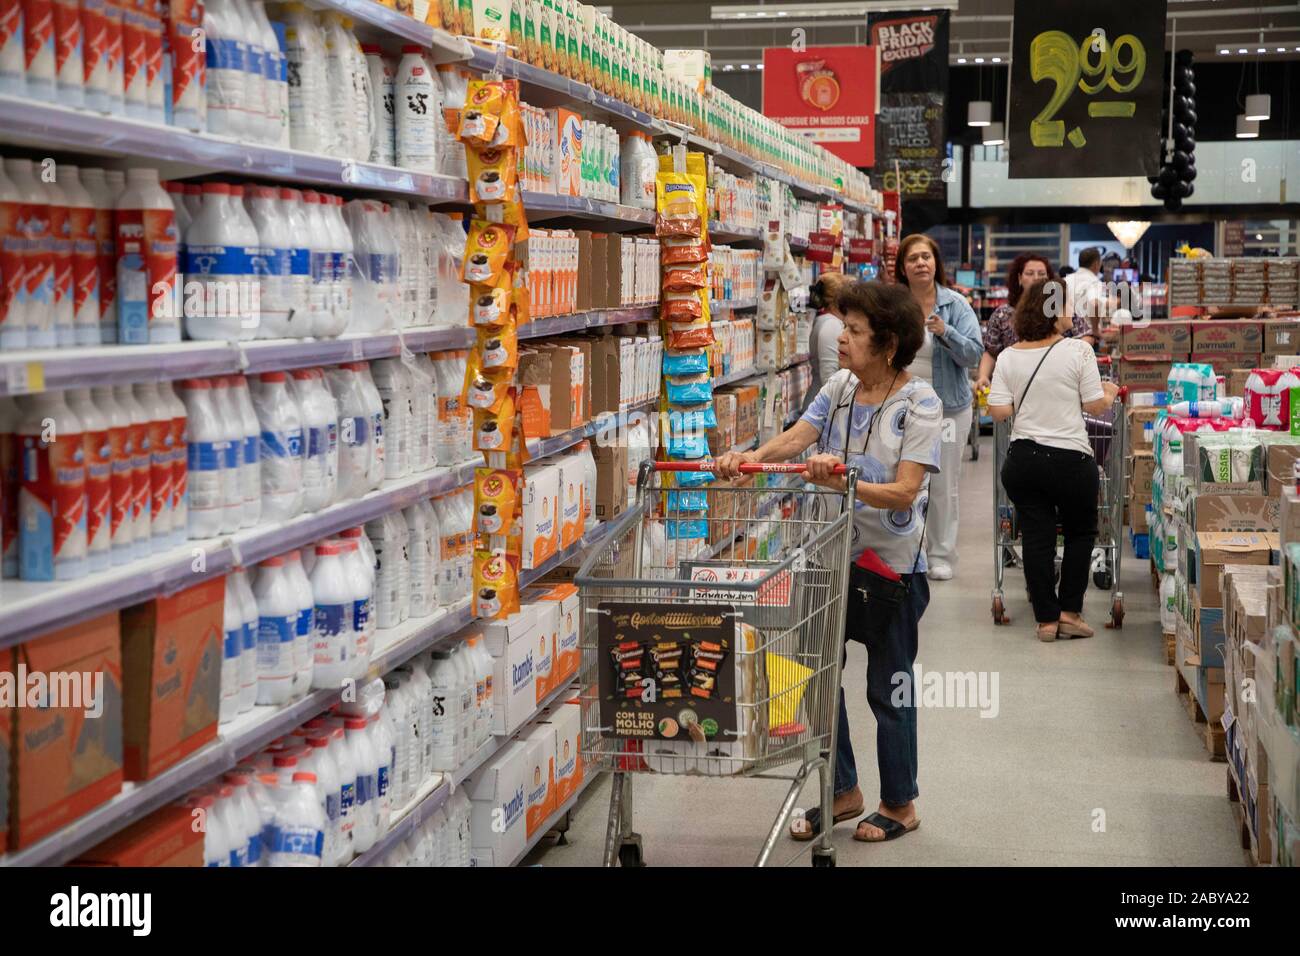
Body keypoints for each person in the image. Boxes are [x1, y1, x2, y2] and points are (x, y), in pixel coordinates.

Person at [716, 280, 942, 845]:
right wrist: (751, 457)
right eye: (844, 326)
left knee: (887, 687)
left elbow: (906, 491)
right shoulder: (840, 386)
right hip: (827, 554)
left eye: (856, 331)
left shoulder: (921, 403)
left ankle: (901, 803)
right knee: (818, 677)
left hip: (891, 568)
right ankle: (842, 791)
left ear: (888, 344)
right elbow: (800, 436)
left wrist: (849, 480)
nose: (841, 338)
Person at [987, 279, 1120, 642]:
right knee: (1080, 533)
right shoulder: (1079, 351)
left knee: (1036, 536)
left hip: (1024, 460)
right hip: (1070, 461)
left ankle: (1045, 620)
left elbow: (998, 411)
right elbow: (1094, 404)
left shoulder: (1009, 356)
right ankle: (1069, 613)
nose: (1071, 313)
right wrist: (1108, 394)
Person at [895, 233, 983, 581]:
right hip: (901, 408)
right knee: (902, 481)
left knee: (942, 483)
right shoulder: (895, 305)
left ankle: (942, 553)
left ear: (936, 264)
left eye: (926, 257)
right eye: (913, 258)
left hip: (948, 409)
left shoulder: (955, 306)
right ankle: (906, 549)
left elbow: (974, 355)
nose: (921, 263)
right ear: (903, 268)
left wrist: (946, 333)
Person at [975, 254, 1096, 392]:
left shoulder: (1060, 310)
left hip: (1058, 385)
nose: (1036, 278)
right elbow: (991, 351)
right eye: (1030, 273)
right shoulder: (1002, 314)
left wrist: (1068, 358)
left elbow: (1086, 335)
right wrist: (983, 376)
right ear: (1019, 278)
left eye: (1042, 273)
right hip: (1015, 387)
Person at [803, 272, 856, 414]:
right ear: (839, 298)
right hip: (823, 409)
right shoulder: (831, 325)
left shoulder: (830, 321)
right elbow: (829, 377)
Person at [1065, 247, 1107, 340]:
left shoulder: (1066, 280)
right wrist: (1095, 330)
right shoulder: (1095, 282)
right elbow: (1095, 304)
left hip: (1065, 337)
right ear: (1096, 264)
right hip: (1086, 337)